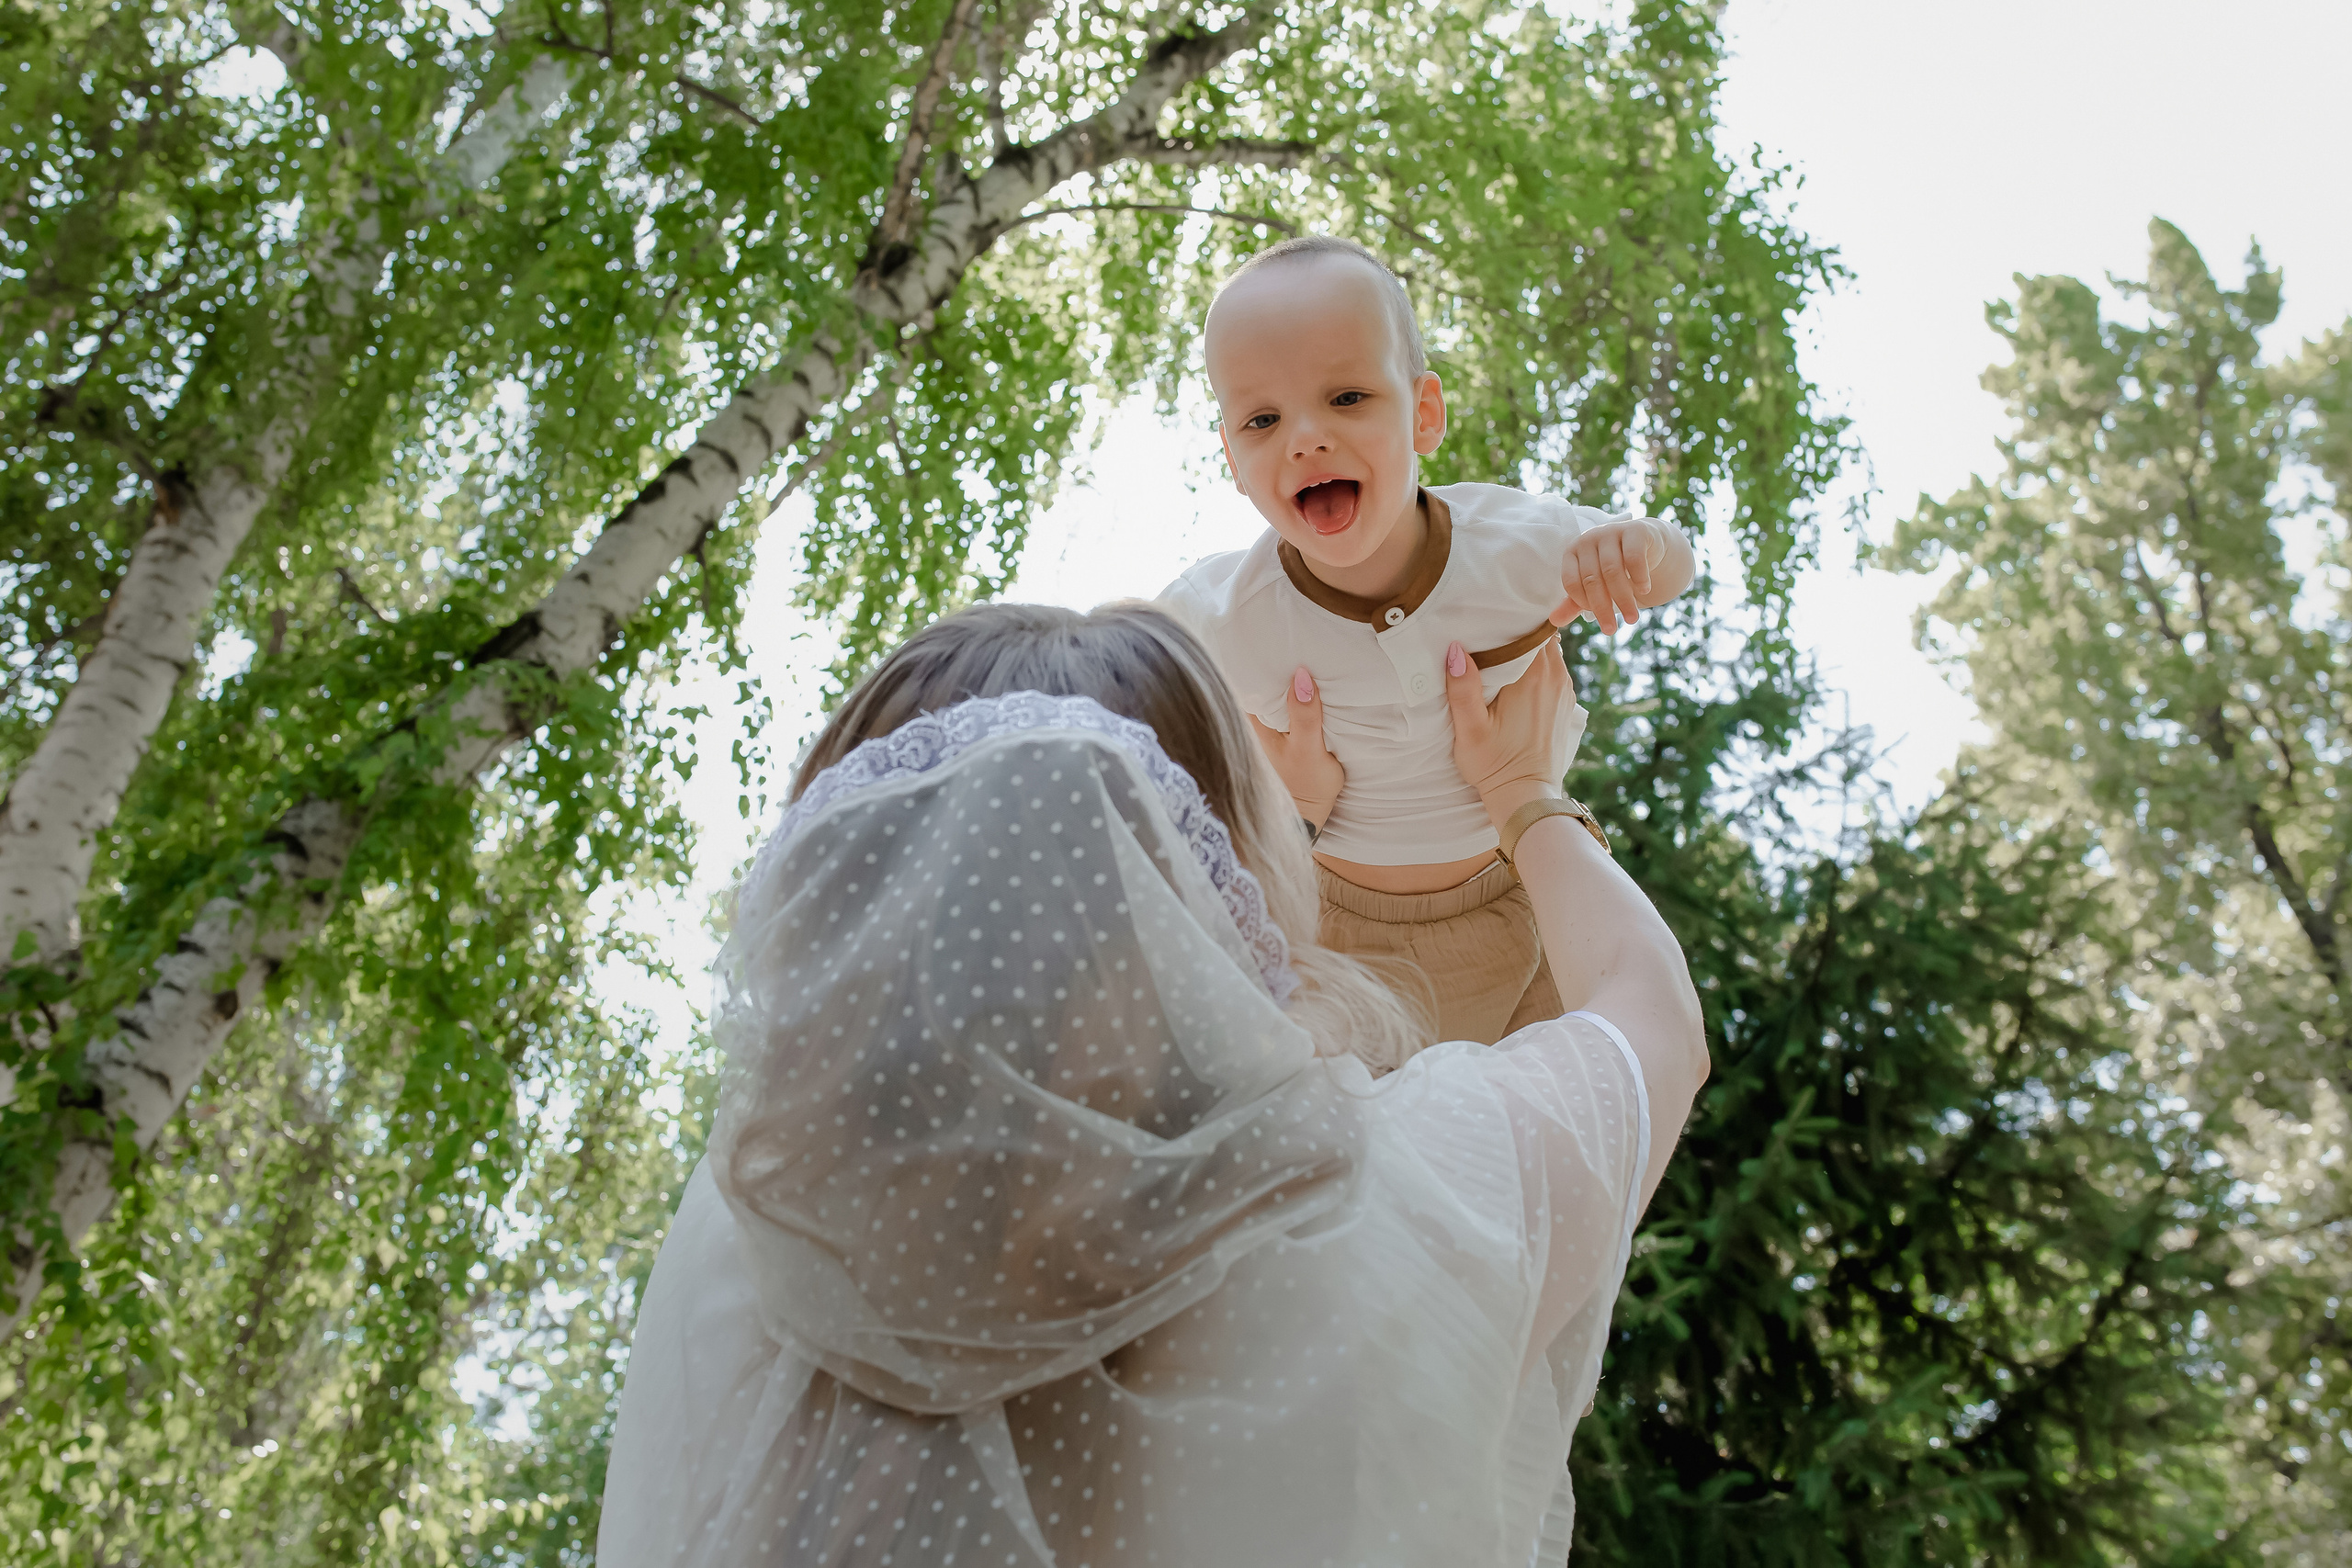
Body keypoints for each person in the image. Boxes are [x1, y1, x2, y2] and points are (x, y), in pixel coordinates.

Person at [596, 601, 1706, 1567]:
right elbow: (1650, 1019)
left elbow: (1040, 997)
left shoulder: (745, 1245)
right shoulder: (1397, 1192)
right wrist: (1522, 793)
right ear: (1205, 884)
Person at [1158, 236, 1699, 1045]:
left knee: (1551, 1100)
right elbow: (1116, 680)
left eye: (1346, 398)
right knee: (1356, 1128)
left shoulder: (1510, 545)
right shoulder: (1226, 610)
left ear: (1424, 414)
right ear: (1233, 458)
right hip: (1332, 916)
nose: (1306, 437)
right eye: (1263, 419)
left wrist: (1638, 546)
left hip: (1517, 894)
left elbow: (1667, 570)